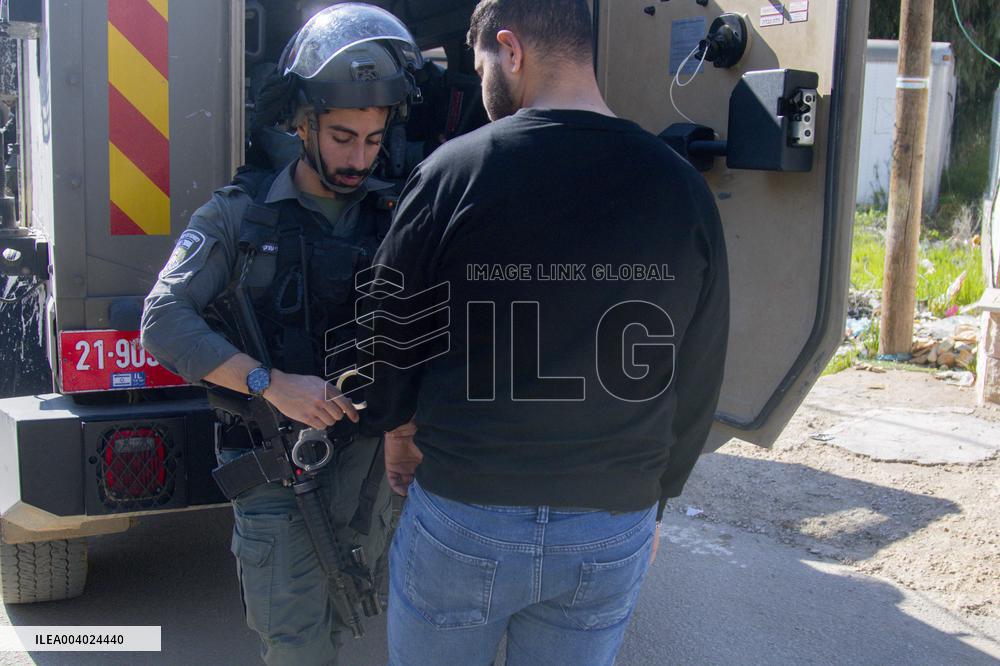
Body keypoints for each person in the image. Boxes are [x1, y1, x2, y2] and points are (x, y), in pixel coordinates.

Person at [364, 1, 730, 664]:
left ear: (512, 51)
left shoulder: (452, 173)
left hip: (465, 512)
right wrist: (658, 497)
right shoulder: (681, 187)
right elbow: (700, 367)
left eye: (479, 68)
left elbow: (391, 331)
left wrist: (396, 428)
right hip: (610, 523)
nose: (482, 89)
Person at [140, 4, 422, 664]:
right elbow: (163, 319)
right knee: (296, 645)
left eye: (374, 140)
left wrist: (406, 432)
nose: (359, 158)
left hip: (369, 466)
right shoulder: (238, 218)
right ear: (303, 124)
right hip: (277, 467)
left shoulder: (395, 217)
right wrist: (269, 384)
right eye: (342, 136)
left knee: (352, 615)